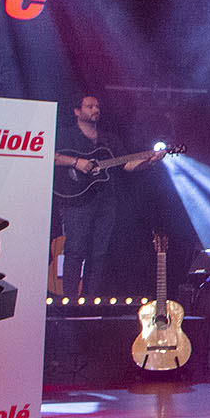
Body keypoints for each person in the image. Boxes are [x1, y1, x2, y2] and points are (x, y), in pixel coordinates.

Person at [53, 93, 163, 299]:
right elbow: (50, 157)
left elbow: (127, 165)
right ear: (77, 111)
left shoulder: (109, 139)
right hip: (75, 199)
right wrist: (76, 162)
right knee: (75, 250)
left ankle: (89, 300)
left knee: (98, 253)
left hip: (104, 200)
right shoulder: (64, 135)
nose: (95, 110)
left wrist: (150, 161)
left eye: (97, 106)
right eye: (89, 106)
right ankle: (70, 301)